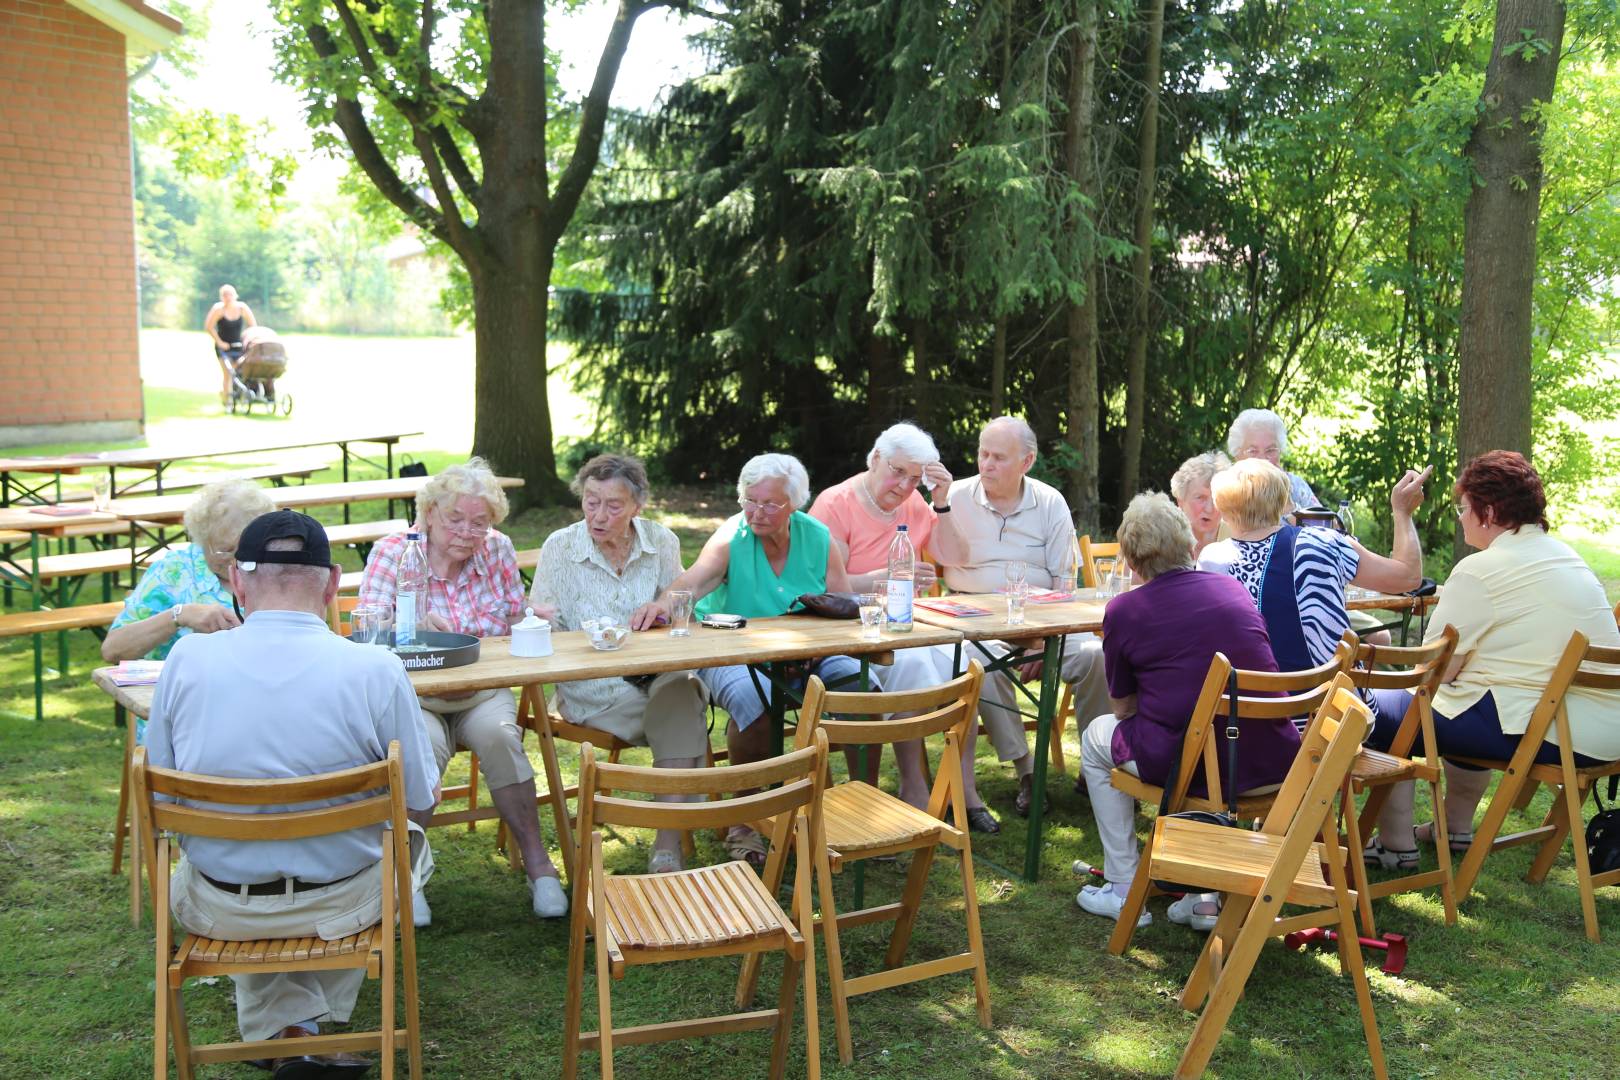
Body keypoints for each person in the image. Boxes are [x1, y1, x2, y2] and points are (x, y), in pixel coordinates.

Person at [145, 510, 438, 1079]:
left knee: (242, 860)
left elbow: (160, 795)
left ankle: (291, 1035)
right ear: (332, 584)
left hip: (223, 905)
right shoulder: (375, 668)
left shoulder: (186, 660)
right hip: (344, 902)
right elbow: (422, 798)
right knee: (406, 840)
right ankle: (303, 1037)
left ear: (237, 581)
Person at [1363, 451, 1620, 869]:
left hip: (1552, 733)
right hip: (1604, 731)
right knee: (1462, 702)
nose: (1461, 518)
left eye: (1464, 509)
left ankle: (1395, 846)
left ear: (1489, 511)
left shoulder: (1480, 570)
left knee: (1374, 708)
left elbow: (1435, 672)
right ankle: (1456, 826)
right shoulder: (1566, 557)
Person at [358, 458, 567, 920]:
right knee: (421, 749)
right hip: (417, 696)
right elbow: (369, 629)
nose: (468, 532)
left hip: (481, 688)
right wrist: (407, 624)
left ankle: (540, 867)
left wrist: (534, 617)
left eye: (480, 522)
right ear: (429, 512)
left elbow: (514, 614)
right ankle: (404, 876)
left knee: (501, 738)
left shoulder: (497, 549)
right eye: (456, 519)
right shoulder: (394, 552)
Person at [1075, 493, 1293, 928]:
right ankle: (1204, 899)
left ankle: (1122, 885)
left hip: (1207, 768)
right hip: (1275, 757)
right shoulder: (1231, 588)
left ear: (1131, 562)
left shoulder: (1124, 609)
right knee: (1197, 728)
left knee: (1097, 737)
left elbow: (1122, 707)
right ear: (1188, 544)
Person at [630, 452, 859, 867]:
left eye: (769, 503)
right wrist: (661, 606)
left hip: (809, 653)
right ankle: (746, 820)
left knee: (858, 689)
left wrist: (817, 648)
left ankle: (860, 808)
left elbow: (842, 606)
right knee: (756, 702)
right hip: (730, 649)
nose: (756, 512)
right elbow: (692, 582)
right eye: (749, 500)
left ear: (796, 504)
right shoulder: (732, 536)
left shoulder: (818, 537)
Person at [809, 422, 997, 828]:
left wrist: (942, 501)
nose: (904, 485)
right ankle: (914, 784)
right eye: (898, 471)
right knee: (910, 665)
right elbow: (828, 586)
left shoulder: (913, 505)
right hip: (851, 626)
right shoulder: (835, 503)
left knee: (964, 661)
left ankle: (963, 788)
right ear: (875, 458)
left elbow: (954, 556)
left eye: (915, 478)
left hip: (906, 623)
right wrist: (892, 577)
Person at [530, 453, 709, 874]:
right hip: (593, 688)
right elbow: (540, 625)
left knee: (680, 690)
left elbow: (683, 611)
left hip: (656, 678)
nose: (599, 515)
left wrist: (664, 612)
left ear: (636, 507)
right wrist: (535, 621)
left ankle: (665, 841)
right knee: (686, 705)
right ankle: (672, 840)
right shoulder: (561, 547)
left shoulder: (661, 542)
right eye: (591, 501)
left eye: (613, 505)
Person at [937, 416, 1112, 820]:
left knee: (1097, 655)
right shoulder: (954, 497)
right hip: (975, 619)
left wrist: (1039, 641)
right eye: (983, 453)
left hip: (1043, 622)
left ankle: (1095, 766)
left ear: (1026, 461)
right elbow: (942, 558)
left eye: (998, 457)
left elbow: (1064, 585)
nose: (986, 464)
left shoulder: (1049, 502)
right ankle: (1027, 770)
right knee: (977, 661)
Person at [1198, 458, 1427, 709]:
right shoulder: (1325, 542)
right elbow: (1408, 577)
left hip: (1251, 719)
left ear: (1222, 509)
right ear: (1284, 502)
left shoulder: (1211, 560)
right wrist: (1402, 513)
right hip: (1332, 720)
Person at [103, 479, 277, 738]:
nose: (237, 560)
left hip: (264, 709)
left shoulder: (277, 567)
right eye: (225, 550)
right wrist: (180, 615)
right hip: (184, 721)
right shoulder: (173, 572)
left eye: (247, 548)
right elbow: (113, 649)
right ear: (201, 540)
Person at [1227, 408, 1319, 513]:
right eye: (1253, 451)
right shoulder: (1224, 490)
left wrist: (1288, 505)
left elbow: (1328, 526)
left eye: (1270, 450)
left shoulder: (1295, 485)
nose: (1263, 459)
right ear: (1237, 454)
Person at [1170, 451, 1230, 558]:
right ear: (1180, 500)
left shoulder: (1238, 538)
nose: (1209, 509)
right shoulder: (1162, 536)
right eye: (1200, 498)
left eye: (1217, 498)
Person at [204, 284, 256, 406]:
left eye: (230, 294)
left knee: (240, 373)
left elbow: (253, 325)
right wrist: (220, 342)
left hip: (239, 346)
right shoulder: (218, 309)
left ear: (235, 295)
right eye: (224, 295)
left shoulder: (242, 308)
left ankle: (234, 394)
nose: (228, 297)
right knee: (228, 373)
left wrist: (247, 340)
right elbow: (209, 327)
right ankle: (228, 402)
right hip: (223, 348)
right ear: (221, 297)